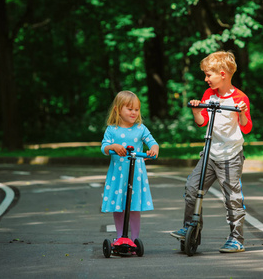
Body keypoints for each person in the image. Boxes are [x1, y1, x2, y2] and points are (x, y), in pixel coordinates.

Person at [170, 51, 252, 253]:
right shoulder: (209, 95)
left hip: (230, 156)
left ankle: (236, 239)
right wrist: (197, 111)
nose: (205, 79)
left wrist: (241, 113)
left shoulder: (240, 98)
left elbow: (246, 127)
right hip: (209, 154)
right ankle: (191, 228)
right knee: (191, 188)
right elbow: (203, 122)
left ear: (222, 74)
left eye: (209, 75)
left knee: (232, 198)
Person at [101, 90, 159, 242]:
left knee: (134, 208)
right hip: (117, 175)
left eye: (136, 109)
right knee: (118, 206)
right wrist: (113, 146)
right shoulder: (111, 129)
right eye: (130, 109)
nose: (134, 112)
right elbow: (104, 148)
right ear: (117, 109)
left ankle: (134, 239)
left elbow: (152, 142)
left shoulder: (140, 129)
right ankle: (120, 237)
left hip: (135, 175)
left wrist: (153, 149)